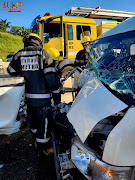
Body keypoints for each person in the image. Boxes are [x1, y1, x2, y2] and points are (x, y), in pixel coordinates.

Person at [7, 33, 61, 151]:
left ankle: (36, 141)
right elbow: (51, 77)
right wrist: (57, 96)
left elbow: (10, 71)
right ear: (38, 41)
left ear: (26, 41)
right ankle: (44, 149)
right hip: (44, 100)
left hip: (28, 99)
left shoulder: (19, 54)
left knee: (33, 121)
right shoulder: (43, 53)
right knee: (45, 123)